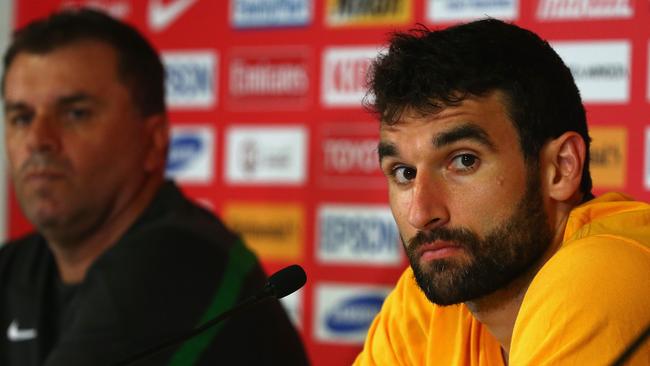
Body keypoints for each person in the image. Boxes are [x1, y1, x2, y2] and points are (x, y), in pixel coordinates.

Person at [0, 8, 309, 366]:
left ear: (154, 141)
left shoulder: (180, 265)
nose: (38, 140)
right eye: (21, 117)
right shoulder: (17, 265)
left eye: (75, 113)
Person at [354, 18, 650, 365]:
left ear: (561, 168)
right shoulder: (427, 304)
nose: (421, 213)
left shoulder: (606, 274)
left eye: (463, 161)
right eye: (404, 173)